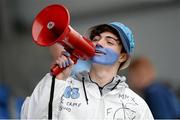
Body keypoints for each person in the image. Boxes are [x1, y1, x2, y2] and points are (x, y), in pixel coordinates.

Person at [21, 22, 154, 119]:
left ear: (122, 56)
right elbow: (31, 116)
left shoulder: (137, 105)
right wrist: (56, 80)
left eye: (110, 42)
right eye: (95, 39)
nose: (99, 44)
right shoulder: (62, 85)